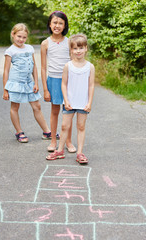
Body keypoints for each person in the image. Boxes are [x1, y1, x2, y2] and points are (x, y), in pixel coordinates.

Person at [46, 34, 95, 164]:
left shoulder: (90, 67)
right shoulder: (68, 66)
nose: (78, 51)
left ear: (86, 49)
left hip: (83, 102)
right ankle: (60, 150)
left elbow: (91, 85)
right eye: (75, 48)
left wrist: (89, 102)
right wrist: (66, 100)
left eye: (81, 48)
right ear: (71, 50)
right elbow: (64, 84)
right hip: (70, 101)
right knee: (64, 126)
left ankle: (79, 153)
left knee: (81, 126)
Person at [3, 23, 50, 143]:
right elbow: (6, 70)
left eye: (24, 37)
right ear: (13, 35)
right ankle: (19, 132)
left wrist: (36, 83)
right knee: (15, 107)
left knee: (37, 106)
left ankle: (46, 131)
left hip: (29, 82)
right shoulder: (10, 51)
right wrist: (5, 89)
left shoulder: (29, 48)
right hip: (16, 83)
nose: (21, 39)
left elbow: (34, 67)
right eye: (19, 36)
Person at [41, 11, 76, 152]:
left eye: (60, 23)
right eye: (55, 22)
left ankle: (68, 141)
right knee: (55, 111)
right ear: (50, 24)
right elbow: (43, 68)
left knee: (68, 111)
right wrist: (45, 89)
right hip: (53, 81)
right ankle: (54, 141)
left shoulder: (69, 42)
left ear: (65, 25)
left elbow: (74, 63)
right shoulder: (45, 43)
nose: (57, 25)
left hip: (68, 81)